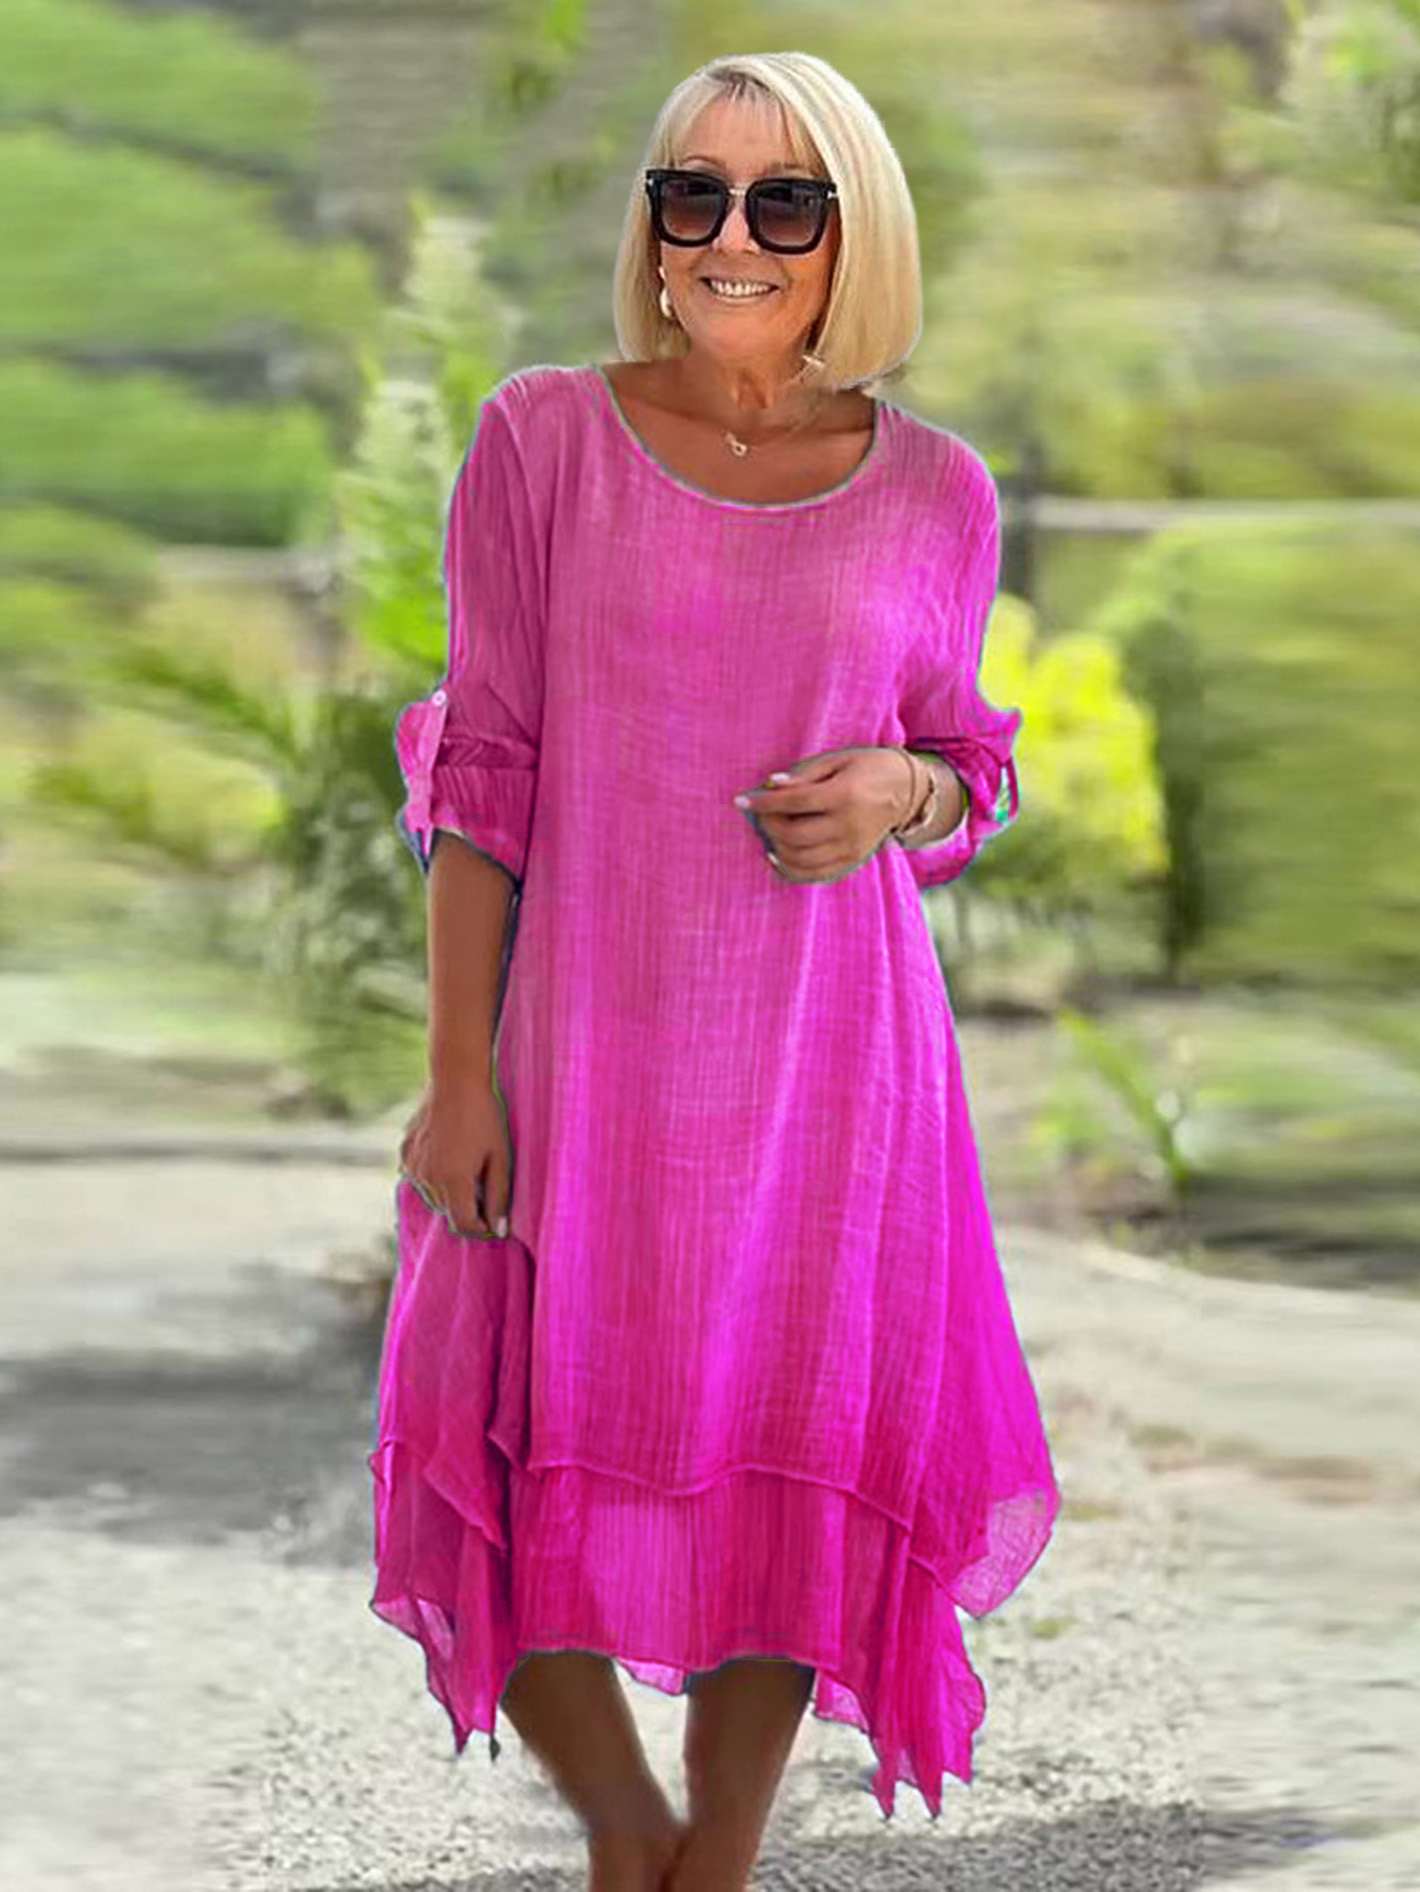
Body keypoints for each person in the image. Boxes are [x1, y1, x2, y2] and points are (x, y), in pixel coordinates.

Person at [370, 49, 1060, 1892]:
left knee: (792, 1443)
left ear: (854, 231)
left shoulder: (938, 491)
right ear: (654, 225)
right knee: (512, 1430)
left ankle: (720, 1858)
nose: (730, 235)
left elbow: (967, 763)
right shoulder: (540, 440)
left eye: (783, 199)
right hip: (580, 1044)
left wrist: (905, 788)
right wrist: (458, 1073)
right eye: (693, 191)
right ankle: (627, 1830)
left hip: (836, 1061)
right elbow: (484, 771)